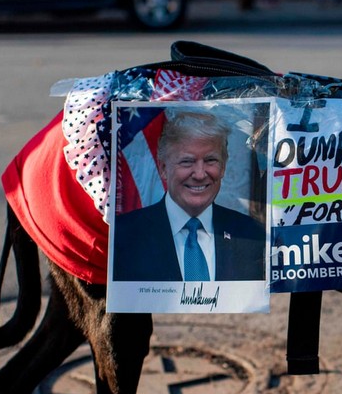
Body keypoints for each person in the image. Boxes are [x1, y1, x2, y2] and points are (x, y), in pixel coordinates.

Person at [111, 110, 265, 282]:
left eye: (210, 160)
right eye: (187, 161)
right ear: (163, 168)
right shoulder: (125, 236)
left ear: (223, 167)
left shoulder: (254, 235)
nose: (200, 174)